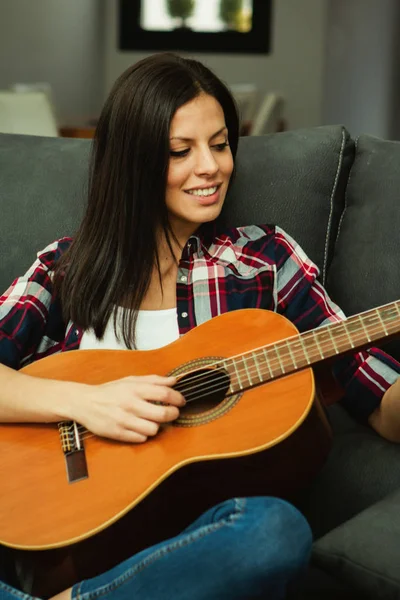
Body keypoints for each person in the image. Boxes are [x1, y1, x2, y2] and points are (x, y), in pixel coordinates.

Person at [0, 52, 400, 600]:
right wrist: (82, 402)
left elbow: (380, 396)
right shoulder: (66, 268)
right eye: (179, 152)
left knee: (274, 531)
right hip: (60, 536)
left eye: (220, 143)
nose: (210, 166)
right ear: (132, 162)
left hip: (193, 549)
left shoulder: (264, 261)